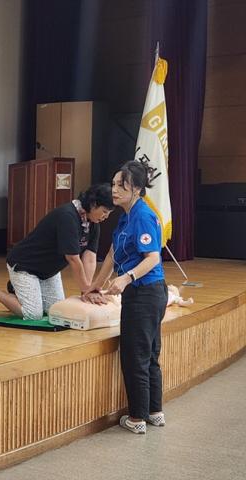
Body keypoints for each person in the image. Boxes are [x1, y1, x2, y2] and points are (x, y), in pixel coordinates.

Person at [83, 160, 168, 434]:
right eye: (114, 183)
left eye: (122, 185)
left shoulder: (142, 215)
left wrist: (126, 277)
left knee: (136, 355)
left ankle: (137, 418)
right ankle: (155, 411)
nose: (115, 190)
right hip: (146, 293)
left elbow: (153, 257)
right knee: (150, 353)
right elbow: (111, 254)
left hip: (145, 294)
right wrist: (95, 285)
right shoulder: (126, 216)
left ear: (138, 190)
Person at [0, 184, 114, 320]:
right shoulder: (68, 216)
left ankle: (17, 289)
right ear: (94, 203)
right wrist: (86, 290)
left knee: (56, 311)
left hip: (49, 271)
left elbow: (89, 257)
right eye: (105, 211)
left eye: (109, 213)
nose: (106, 217)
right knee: (33, 314)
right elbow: (73, 259)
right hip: (25, 265)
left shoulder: (93, 224)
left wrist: (89, 289)